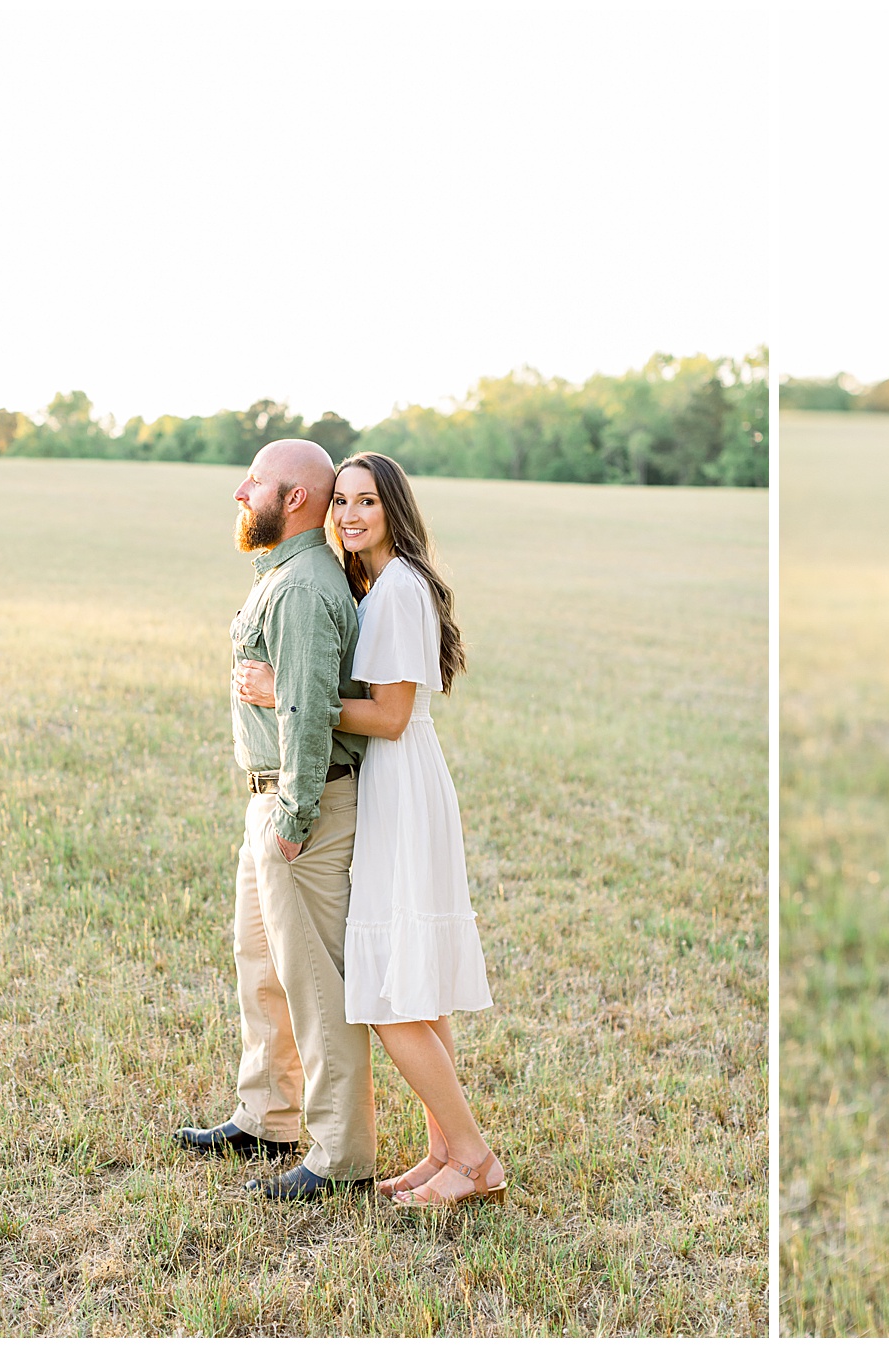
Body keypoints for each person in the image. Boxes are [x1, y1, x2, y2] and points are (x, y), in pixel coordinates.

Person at [236, 451, 503, 1208]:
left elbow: (388, 716)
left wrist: (280, 694)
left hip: (399, 786)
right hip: (395, 784)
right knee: (415, 989)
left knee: (388, 998)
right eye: (343, 503)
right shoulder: (382, 585)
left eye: (367, 503)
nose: (350, 516)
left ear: (394, 511)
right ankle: (444, 1153)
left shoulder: (398, 590)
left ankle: (477, 1159)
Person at [175, 437, 377, 1201]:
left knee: (314, 985)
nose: (239, 491)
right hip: (272, 801)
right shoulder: (286, 574)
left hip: (305, 807)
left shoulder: (300, 588)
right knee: (261, 968)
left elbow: (305, 713)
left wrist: (292, 816)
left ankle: (342, 1155)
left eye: (253, 480)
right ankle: (269, 1115)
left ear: (293, 498)